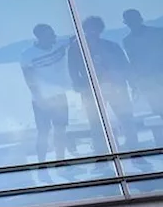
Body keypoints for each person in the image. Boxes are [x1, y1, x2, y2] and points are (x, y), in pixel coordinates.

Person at [68, 16, 138, 150]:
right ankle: (104, 151)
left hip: (116, 87)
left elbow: (125, 66)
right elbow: (72, 69)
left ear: (100, 29)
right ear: (85, 30)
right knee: (96, 123)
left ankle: (134, 148)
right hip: (91, 90)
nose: (93, 31)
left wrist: (132, 83)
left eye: (96, 28)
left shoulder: (111, 46)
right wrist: (79, 85)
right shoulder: (76, 48)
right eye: (89, 28)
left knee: (126, 117)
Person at [21, 24, 71, 163]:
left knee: (60, 130)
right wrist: (39, 97)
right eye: (50, 35)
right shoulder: (28, 55)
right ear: (40, 37)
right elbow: (29, 78)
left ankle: (60, 161)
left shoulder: (59, 45)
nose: (54, 37)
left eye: (53, 34)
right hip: (40, 99)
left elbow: (77, 38)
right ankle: (42, 163)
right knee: (43, 132)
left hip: (59, 96)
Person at [122, 9, 163, 146]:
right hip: (148, 81)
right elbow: (132, 61)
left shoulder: (157, 33)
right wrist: (135, 81)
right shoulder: (128, 41)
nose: (132, 23)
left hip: (157, 76)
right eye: (129, 21)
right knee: (158, 110)